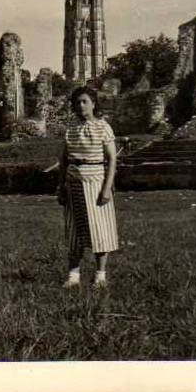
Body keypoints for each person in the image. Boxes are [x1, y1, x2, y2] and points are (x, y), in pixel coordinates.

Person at [56, 86, 120, 289]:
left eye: (85, 101)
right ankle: (73, 275)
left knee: (100, 229)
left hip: (96, 182)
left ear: (93, 103)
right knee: (75, 231)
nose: (81, 106)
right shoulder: (71, 130)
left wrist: (107, 188)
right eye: (77, 103)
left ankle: (100, 275)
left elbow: (111, 159)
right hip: (74, 182)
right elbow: (64, 159)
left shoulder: (103, 127)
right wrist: (61, 186)